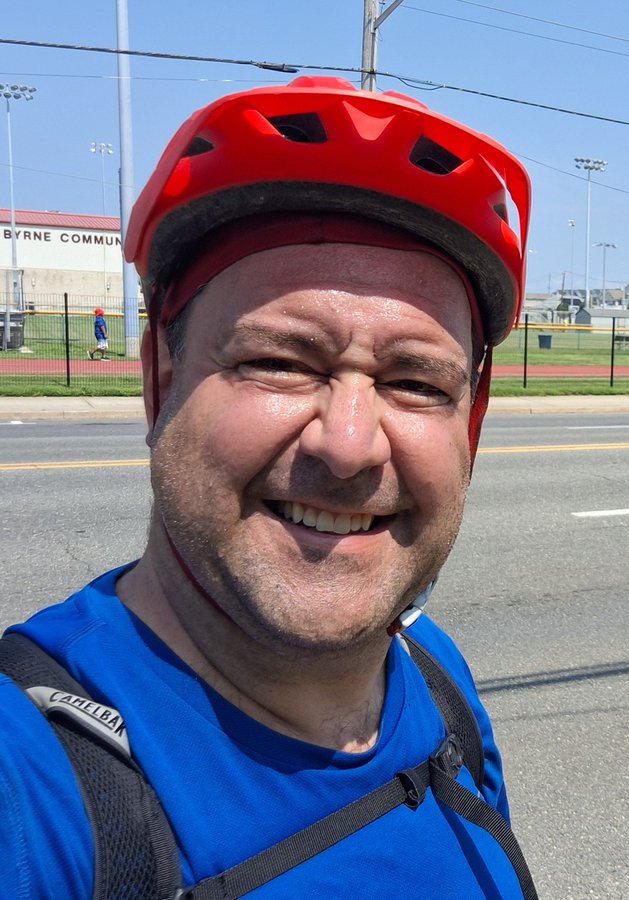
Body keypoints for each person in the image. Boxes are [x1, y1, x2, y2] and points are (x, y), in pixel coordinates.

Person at [0, 77, 535, 898]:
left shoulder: (437, 675)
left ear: (472, 425)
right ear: (160, 381)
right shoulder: (31, 782)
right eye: (279, 362)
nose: (349, 445)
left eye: (416, 382)